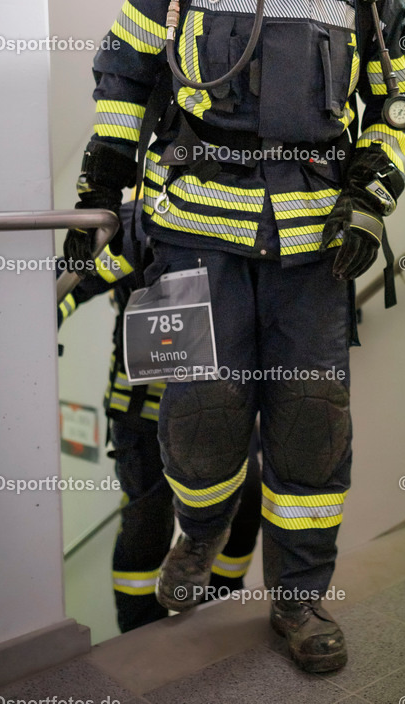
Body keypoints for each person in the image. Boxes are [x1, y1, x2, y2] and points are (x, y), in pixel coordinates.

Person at [64, 0, 405, 673]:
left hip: (311, 254)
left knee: (310, 429)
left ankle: (298, 604)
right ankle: (198, 535)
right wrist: (99, 193)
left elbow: (402, 110)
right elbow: (125, 71)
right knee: (198, 418)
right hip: (192, 240)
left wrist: (369, 198)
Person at [58, 198, 261, 633]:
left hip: (225, 404)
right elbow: (69, 284)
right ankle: (139, 633)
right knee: (147, 521)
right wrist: (38, 324)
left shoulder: (245, 212)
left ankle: (222, 607)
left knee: (243, 503)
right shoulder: (132, 221)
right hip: (142, 411)